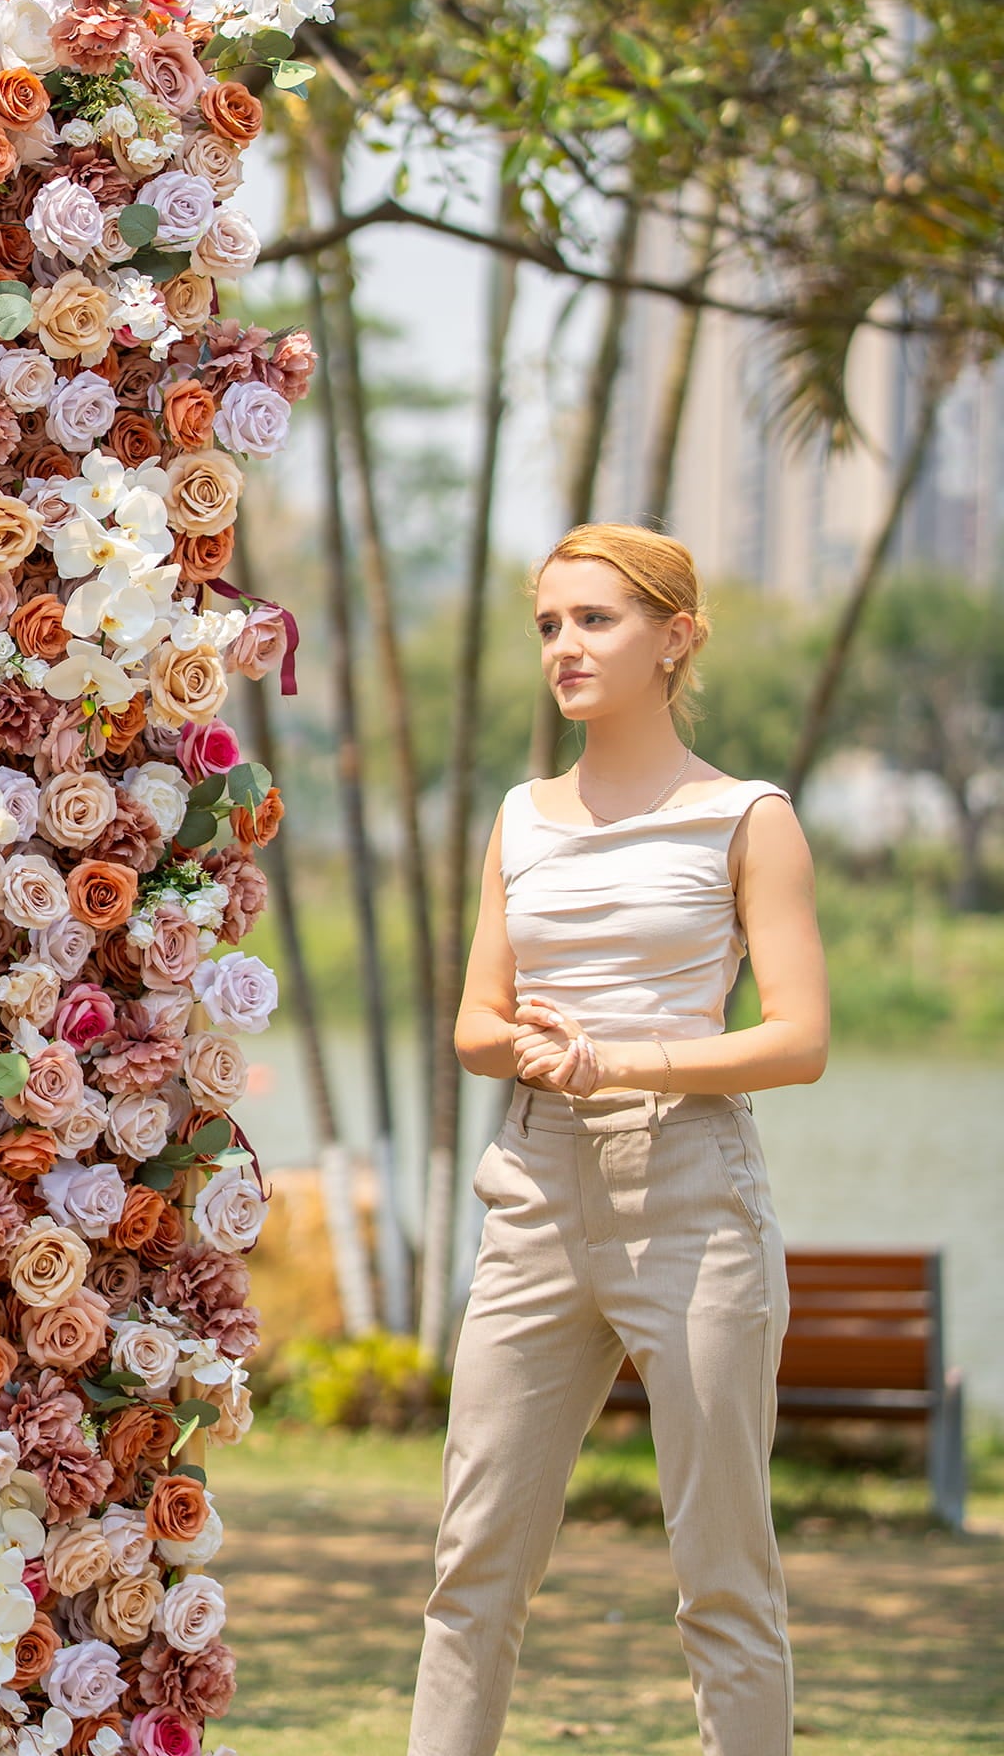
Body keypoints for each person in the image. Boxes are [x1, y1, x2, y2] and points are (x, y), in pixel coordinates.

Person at [408, 523, 829, 1756]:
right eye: (548, 624)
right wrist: (532, 1044)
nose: (565, 646)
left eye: (595, 619)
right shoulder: (519, 817)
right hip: (535, 1188)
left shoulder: (747, 818)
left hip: (691, 1194)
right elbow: (475, 1023)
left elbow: (796, 1038)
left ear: (674, 638)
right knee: (470, 1571)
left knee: (723, 1580)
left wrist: (623, 1058)